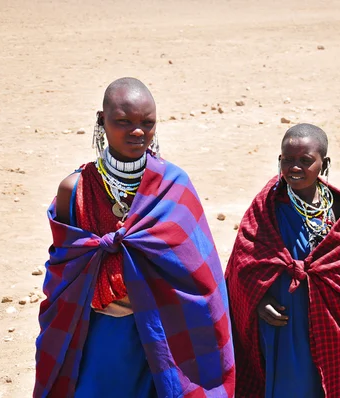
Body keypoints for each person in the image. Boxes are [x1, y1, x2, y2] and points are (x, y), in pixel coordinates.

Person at [34, 77, 235, 398]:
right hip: (100, 333)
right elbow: (65, 270)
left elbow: (200, 271)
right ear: (102, 121)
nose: (137, 131)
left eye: (147, 122)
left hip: (164, 331)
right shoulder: (75, 190)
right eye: (123, 122)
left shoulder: (173, 185)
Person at [225, 123, 340, 397]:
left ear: (324, 163)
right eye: (287, 160)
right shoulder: (267, 206)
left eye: (305, 161)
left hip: (329, 320)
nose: (294, 168)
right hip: (283, 323)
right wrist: (257, 300)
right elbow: (243, 263)